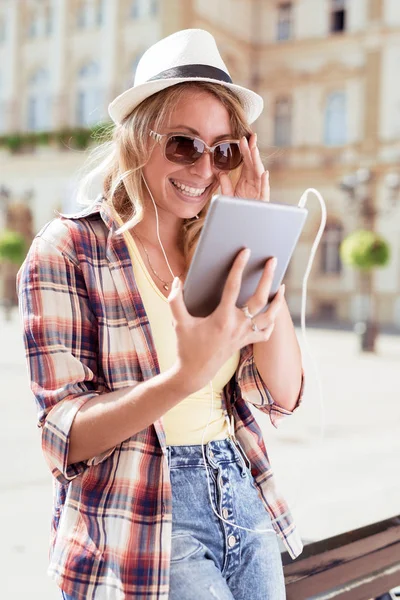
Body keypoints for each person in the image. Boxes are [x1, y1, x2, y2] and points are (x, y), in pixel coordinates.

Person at [17, 29, 304, 600]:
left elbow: (285, 392)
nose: (203, 167)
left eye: (223, 149)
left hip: (241, 492)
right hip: (138, 511)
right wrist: (183, 380)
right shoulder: (69, 247)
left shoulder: (220, 250)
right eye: (183, 144)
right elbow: (63, 437)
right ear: (138, 139)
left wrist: (256, 241)